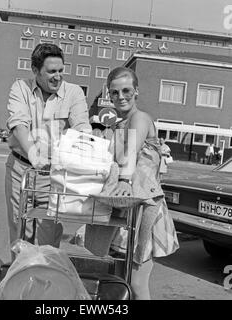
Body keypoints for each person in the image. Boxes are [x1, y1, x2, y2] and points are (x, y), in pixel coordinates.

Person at [84, 67, 179, 300]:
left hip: (143, 207)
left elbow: (131, 151)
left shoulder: (139, 118)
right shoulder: (118, 124)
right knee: (120, 280)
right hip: (123, 206)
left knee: (137, 282)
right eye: (114, 92)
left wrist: (124, 180)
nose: (121, 96)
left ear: (136, 91)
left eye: (126, 90)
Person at [5, 43, 92, 253]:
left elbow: (81, 127)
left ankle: (46, 280)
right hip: (21, 169)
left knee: (48, 236)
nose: (58, 76)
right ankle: (21, 278)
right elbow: (19, 125)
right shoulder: (20, 88)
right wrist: (35, 156)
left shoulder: (73, 93)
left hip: (53, 174)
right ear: (36, 71)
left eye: (61, 70)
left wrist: (87, 149)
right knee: (20, 231)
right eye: (51, 71)